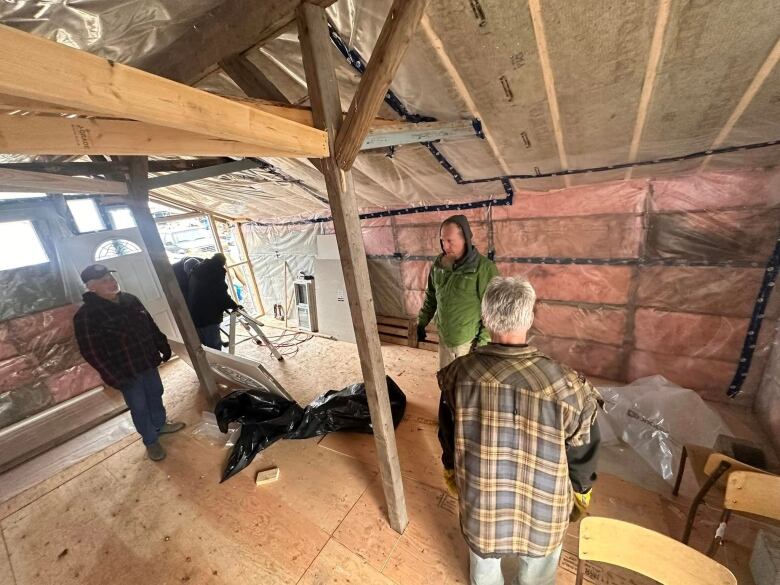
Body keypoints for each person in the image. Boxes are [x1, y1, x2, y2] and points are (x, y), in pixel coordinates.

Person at [437, 276, 601, 585]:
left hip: (482, 508)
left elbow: (447, 436)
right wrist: (581, 491)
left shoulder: (458, 376)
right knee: (538, 576)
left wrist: (450, 469)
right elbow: (583, 452)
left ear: (485, 318)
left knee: (484, 572)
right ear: (530, 318)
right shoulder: (567, 386)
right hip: (544, 514)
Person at [73, 264, 185, 462]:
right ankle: (151, 441)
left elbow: (150, 325)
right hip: (126, 372)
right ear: (91, 287)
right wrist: (115, 378)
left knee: (155, 393)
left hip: (147, 362)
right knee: (139, 406)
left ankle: (160, 425)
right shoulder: (86, 316)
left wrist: (163, 345)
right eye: (104, 280)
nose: (111, 282)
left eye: (111, 277)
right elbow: (92, 352)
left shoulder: (130, 299)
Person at [416, 214, 499, 470]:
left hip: (468, 343)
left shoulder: (484, 269)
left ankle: (467, 436)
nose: (445, 247)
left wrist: (481, 343)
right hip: (446, 339)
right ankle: (450, 426)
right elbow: (431, 295)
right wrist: (421, 321)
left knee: (468, 391)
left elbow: (491, 309)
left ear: (466, 238)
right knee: (447, 385)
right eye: (442, 241)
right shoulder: (439, 264)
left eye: (450, 241)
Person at [187, 252, 240, 350]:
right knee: (214, 346)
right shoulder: (215, 271)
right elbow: (221, 294)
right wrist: (233, 305)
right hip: (208, 316)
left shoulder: (198, 269)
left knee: (205, 346)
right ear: (222, 263)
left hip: (195, 313)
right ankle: (217, 365)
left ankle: (210, 363)